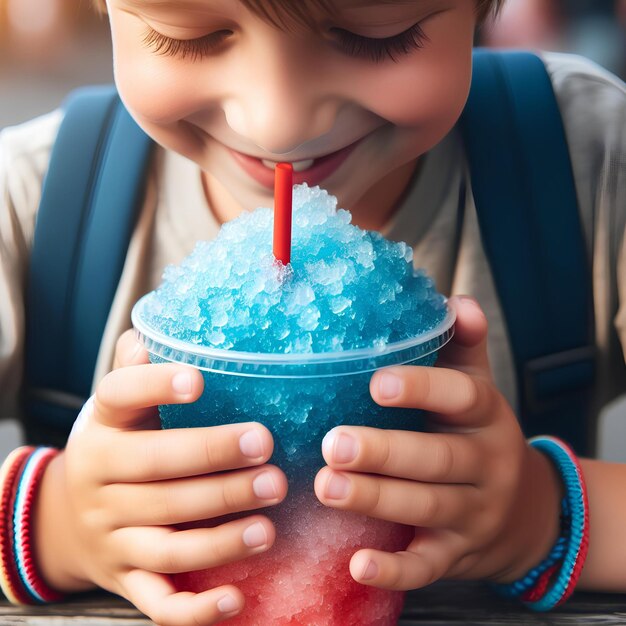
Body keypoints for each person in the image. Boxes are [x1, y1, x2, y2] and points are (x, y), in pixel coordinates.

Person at [0, 0, 625, 624]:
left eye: (379, 34)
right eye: (187, 36)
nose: (278, 124)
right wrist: (52, 522)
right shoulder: (36, 204)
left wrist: (545, 515)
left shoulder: (591, 166)